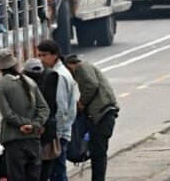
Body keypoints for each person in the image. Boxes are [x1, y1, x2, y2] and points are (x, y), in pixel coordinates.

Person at [0, 48, 49, 181]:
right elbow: (44, 108)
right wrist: (34, 125)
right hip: (34, 140)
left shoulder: (0, 85)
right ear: (15, 64)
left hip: (14, 141)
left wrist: (24, 125)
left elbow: (7, 114)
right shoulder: (30, 82)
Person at [65, 54, 119, 181]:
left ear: (70, 66)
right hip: (103, 115)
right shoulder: (87, 67)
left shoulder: (81, 67)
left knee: (99, 154)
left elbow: (91, 85)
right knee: (96, 153)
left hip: (103, 115)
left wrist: (82, 103)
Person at [37, 40, 78, 181]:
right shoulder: (60, 72)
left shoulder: (58, 75)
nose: (42, 59)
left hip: (59, 133)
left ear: (55, 55)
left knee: (57, 173)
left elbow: (60, 108)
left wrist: (56, 134)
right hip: (62, 130)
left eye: (45, 55)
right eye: (39, 56)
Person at [24, 58, 61, 181]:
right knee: (45, 172)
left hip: (38, 134)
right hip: (47, 133)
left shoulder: (26, 84)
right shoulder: (50, 78)